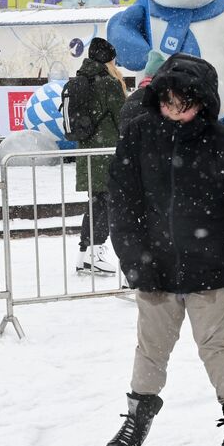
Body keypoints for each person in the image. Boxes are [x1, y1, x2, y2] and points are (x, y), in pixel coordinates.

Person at [105, 53, 224, 446]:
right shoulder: (139, 135)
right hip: (156, 267)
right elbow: (121, 203)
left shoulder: (222, 141)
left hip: (211, 266)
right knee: (151, 347)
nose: (175, 110)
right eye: (168, 101)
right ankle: (137, 418)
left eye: (185, 102)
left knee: (215, 346)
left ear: (201, 100)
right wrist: (134, 259)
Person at [72, 37, 128, 276]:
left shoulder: (80, 79)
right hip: (107, 153)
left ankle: (83, 255)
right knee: (106, 204)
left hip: (87, 152)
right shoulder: (108, 83)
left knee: (95, 203)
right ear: (108, 60)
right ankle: (96, 252)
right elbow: (122, 118)